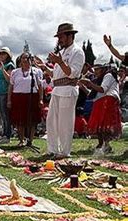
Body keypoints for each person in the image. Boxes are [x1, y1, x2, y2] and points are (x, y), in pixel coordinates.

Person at [35, 23, 85, 159]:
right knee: (51, 121)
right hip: (57, 90)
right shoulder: (61, 52)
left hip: (68, 89)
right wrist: (44, 67)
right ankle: (52, 149)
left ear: (70, 35)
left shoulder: (77, 52)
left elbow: (72, 74)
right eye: (58, 37)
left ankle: (64, 152)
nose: (59, 39)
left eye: (62, 36)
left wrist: (60, 61)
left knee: (65, 123)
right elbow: (56, 75)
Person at [79, 64, 121, 154]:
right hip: (101, 101)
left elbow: (103, 89)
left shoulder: (108, 75)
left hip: (108, 100)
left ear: (103, 69)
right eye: (95, 69)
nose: (95, 71)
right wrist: (83, 87)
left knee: (104, 124)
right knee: (99, 124)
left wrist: (90, 83)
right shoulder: (99, 79)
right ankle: (102, 144)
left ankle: (105, 145)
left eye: (97, 69)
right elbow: (93, 94)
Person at [7, 52, 43, 147]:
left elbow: (40, 86)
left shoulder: (36, 71)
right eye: (23, 58)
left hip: (32, 97)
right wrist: (9, 100)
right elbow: (11, 86)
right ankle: (21, 140)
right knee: (20, 120)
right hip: (18, 97)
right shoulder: (15, 72)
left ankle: (30, 140)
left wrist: (41, 99)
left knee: (32, 120)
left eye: (27, 58)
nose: (25, 60)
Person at [0, 47, 15, 144]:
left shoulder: (9, 65)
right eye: (0, 54)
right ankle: (4, 134)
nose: (1, 56)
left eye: (3, 54)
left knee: (6, 115)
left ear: (8, 55)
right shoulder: (2, 65)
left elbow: (9, 79)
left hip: (5, 92)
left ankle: (8, 135)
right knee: (2, 115)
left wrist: (2, 69)